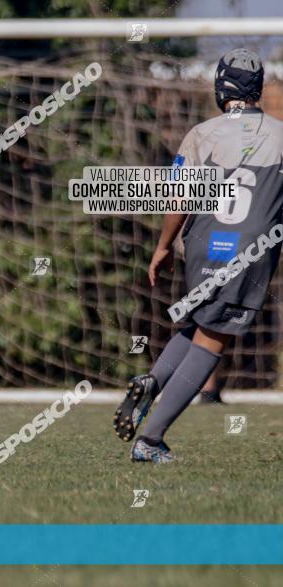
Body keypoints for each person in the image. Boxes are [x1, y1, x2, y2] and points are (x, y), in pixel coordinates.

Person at [113, 49, 282, 462]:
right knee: (214, 340)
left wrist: (163, 246)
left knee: (198, 323)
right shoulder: (280, 135)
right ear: (257, 90)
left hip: (202, 244)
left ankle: (152, 382)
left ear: (219, 89)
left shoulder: (201, 133)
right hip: (247, 252)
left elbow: (179, 197)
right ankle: (150, 441)